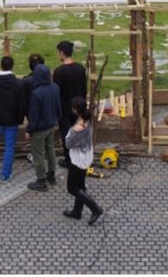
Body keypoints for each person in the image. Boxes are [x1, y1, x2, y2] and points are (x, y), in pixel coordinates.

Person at [62, 96, 104, 225]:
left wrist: (70, 133)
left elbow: (68, 144)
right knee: (80, 185)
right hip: (86, 156)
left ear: (75, 110)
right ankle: (77, 211)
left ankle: (95, 208)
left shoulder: (77, 129)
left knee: (72, 188)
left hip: (78, 160)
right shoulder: (88, 119)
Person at [25, 63, 61, 191]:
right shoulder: (55, 87)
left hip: (39, 129)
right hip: (51, 125)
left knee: (38, 154)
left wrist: (29, 130)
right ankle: (51, 174)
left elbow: (33, 115)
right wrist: (57, 120)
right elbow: (58, 106)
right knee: (50, 150)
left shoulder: (36, 93)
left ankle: (41, 180)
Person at [52, 40, 87, 168]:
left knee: (67, 136)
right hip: (78, 108)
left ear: (62, 53)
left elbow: (56, 93)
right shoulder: (80, 68)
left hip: (64, 109)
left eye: (58, 52)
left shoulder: (59, 72)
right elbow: (84, 89)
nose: (57, 55)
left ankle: (69, 160)